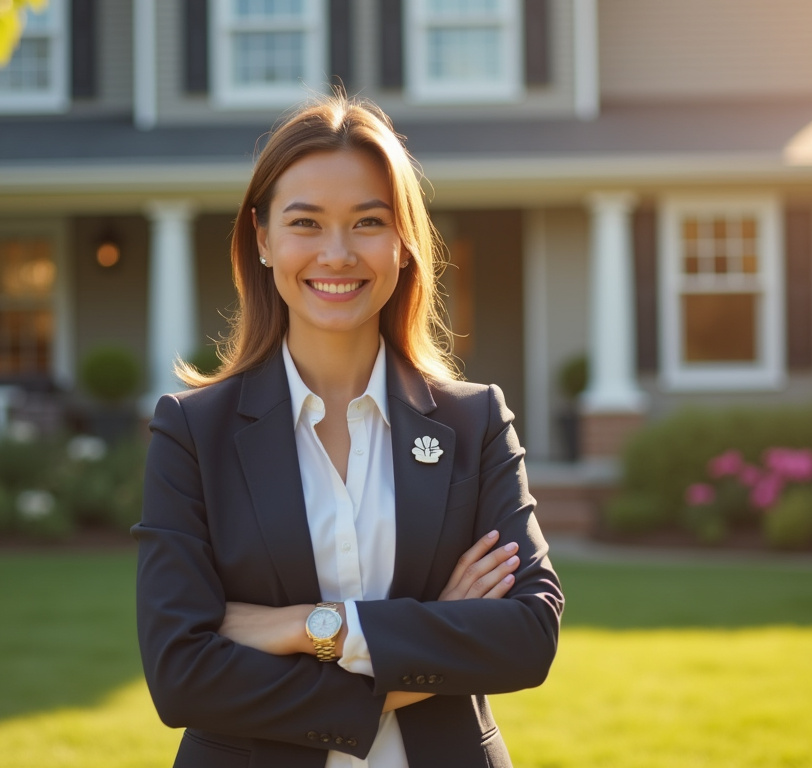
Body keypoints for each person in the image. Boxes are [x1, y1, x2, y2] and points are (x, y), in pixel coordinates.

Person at [133, 93, 563, 768]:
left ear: (403, 244)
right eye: (306, 222)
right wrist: (435, 634)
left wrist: (310, 628)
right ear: (264, 239)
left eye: (368, 222)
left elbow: (527, 634)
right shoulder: (192, 431)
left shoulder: (474, 420)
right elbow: (182, 674)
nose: (337, 254)